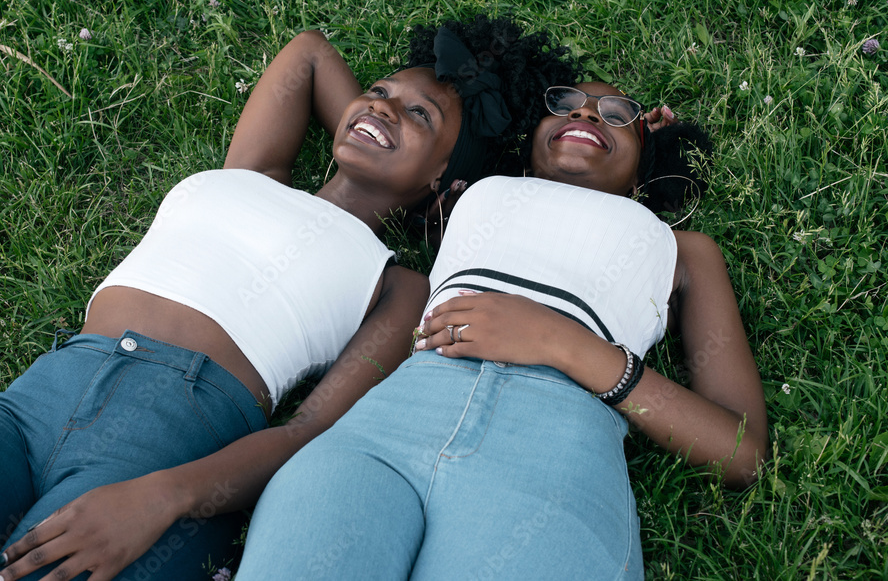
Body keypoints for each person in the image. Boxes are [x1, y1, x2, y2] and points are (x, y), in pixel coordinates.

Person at [0, 18, 577, 581]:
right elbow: (307, 53)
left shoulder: (399, 286)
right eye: (377, 90)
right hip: (29, 407)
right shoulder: (249, 175)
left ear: (443, 179)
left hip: (165, 446)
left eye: (417, 114)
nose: (379, 104)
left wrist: (165, 497)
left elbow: (308, 435)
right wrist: (390, 124)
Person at [236, 81, 769, 580]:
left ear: (640, 176)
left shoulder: (679, 247)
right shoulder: (473, 195)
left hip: (551, 461)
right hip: (381, 433)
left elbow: (741, 452)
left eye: (616, 115)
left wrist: (563, 342)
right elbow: (407, 137)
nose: (585, 112)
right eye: (566, 104)